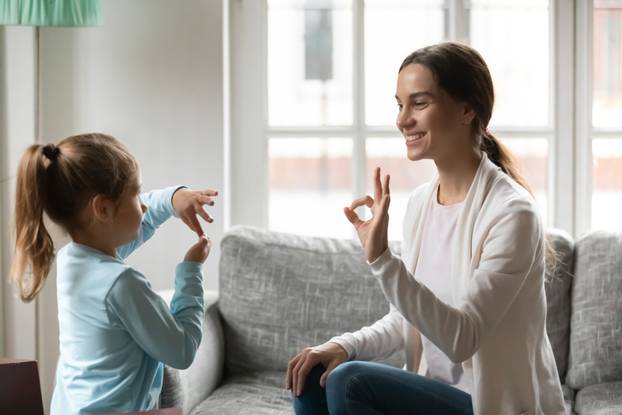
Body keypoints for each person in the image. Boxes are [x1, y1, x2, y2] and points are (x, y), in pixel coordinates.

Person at [286, 42, 566, 415]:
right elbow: (406, 321)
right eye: (400, 104)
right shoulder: (420, 203)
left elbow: (462, 339)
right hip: (435, 398)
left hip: (491, 407)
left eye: (419, 103)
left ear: (466, 109)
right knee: (313, 376)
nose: (402, 120)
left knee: (349, 381)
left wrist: (383, 260)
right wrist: (343, 345)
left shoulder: (512, 213)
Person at [10, 133, 217, 414]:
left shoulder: (73, 260)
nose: (143, 204)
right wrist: (191, 271)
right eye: (135, 193)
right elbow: (181, 351)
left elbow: (136, 223)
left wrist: (172, 199)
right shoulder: (122, 284)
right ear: (103, 209)